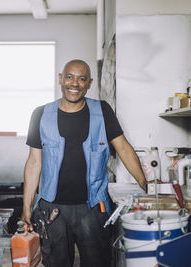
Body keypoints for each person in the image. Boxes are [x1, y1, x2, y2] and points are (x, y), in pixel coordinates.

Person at [21, 59, 147, 267]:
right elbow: (34, 162)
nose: (75, 84)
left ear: (89, 83)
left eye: (82, 79)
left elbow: (123, 148)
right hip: (52, 210)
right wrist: (26, 208)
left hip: (92, 209)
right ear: (60, 79)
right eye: (69, 77)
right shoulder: (41, 114)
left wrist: (147, 187)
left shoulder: (102, 111)